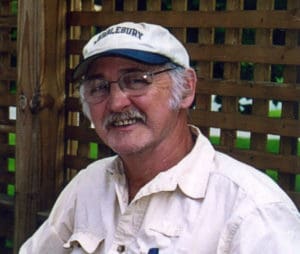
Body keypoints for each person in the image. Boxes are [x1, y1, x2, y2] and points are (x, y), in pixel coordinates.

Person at [20, 22, 300, 254]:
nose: (116, 102)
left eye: (137, 80)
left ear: (187, 89)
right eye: (99, 86)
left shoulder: (251, 211)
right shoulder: (87, 187)